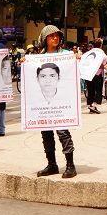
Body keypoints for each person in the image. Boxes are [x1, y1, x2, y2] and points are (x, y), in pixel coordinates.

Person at [35, 25, 76, 179]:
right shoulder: (39, 57)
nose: (55, 38)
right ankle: (51, 164)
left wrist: (76, 59)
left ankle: (70, 165)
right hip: (44, 103)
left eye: (57, 35)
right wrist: (26, 62)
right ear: (45, 39)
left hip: (61, 101)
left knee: (62, 132)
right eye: (51, 36)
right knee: (46, 132)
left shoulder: (66, 55)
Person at [84, 38, 105, 114]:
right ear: (101, 45)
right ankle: (94, 105)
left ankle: (90, 105)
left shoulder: (89, 52)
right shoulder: (101, 53)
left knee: (90, 90)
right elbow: (104, 61)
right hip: (97, 74)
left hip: (88, 74)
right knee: (98, 90)